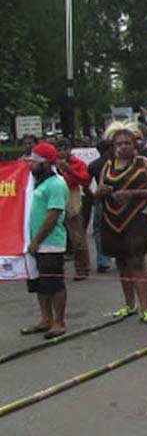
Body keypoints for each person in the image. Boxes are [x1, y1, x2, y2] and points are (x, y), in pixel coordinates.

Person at [97, 124, 147, 324]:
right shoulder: (108, 165)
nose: (123, 147)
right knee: (122, 263)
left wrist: (132, 194)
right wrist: (103, 191)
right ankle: (129, 304)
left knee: (137, 262)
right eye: (119, 143)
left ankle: (145, 308)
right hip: (113, 219)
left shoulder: (143, 163)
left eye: (127, 143)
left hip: (137, 218)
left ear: (135, 145)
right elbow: (97, 191)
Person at [20, 142, 70, 339]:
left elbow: (53, 214)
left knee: (54, 284)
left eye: (35, 162)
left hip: (50, 243)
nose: (30, 165)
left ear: (47, 163)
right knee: (39, 283)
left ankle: (59, 321)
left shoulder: (56, 183)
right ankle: (45, 318)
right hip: (32, 243)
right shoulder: (34, 182)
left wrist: (37, 241)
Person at [54, 138, 92, 280]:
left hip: (71, 199)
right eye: (59, 149)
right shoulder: (51, 165)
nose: (62, 152)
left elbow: (85, 180)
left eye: (64, 148)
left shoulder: (78, 164)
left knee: (77, 237)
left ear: (70, 149)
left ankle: (82, 268)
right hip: (55, 200)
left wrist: (69, 171)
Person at [86, 139, 113, 273]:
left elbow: (85, 184)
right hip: (115, 198)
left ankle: (103, 261)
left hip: (100, 199)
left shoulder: (93, 165)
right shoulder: (116, 163)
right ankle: (121, 257)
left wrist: (92, 196)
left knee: (99, 231)